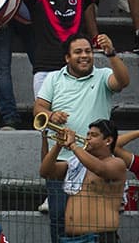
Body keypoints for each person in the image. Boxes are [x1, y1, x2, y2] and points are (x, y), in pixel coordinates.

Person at [34, 33, 129, 243]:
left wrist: (111, 53)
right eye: (78, 52)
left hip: (94, 161)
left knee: (95, 220)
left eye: (88, 51)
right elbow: (38, 108)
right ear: (67, 58)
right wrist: (51, 116)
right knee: (59, 220)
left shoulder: (103, 75)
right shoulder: (53, 78)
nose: (84, 55)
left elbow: (123, 81)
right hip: (61, 161)